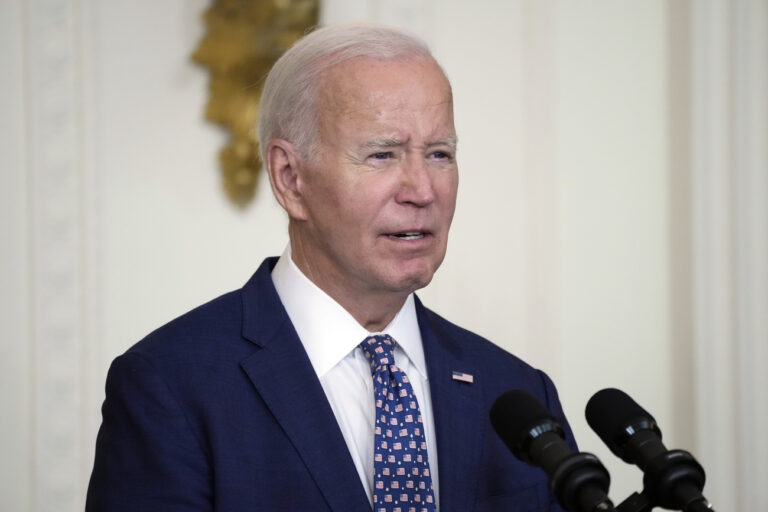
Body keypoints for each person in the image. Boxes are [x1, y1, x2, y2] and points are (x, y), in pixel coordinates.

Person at [86, 23, 575, 512]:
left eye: (439, 154)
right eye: (382, 154)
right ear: (290, 178)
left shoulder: (518, 393)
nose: (423, 191)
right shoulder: (170, 386)